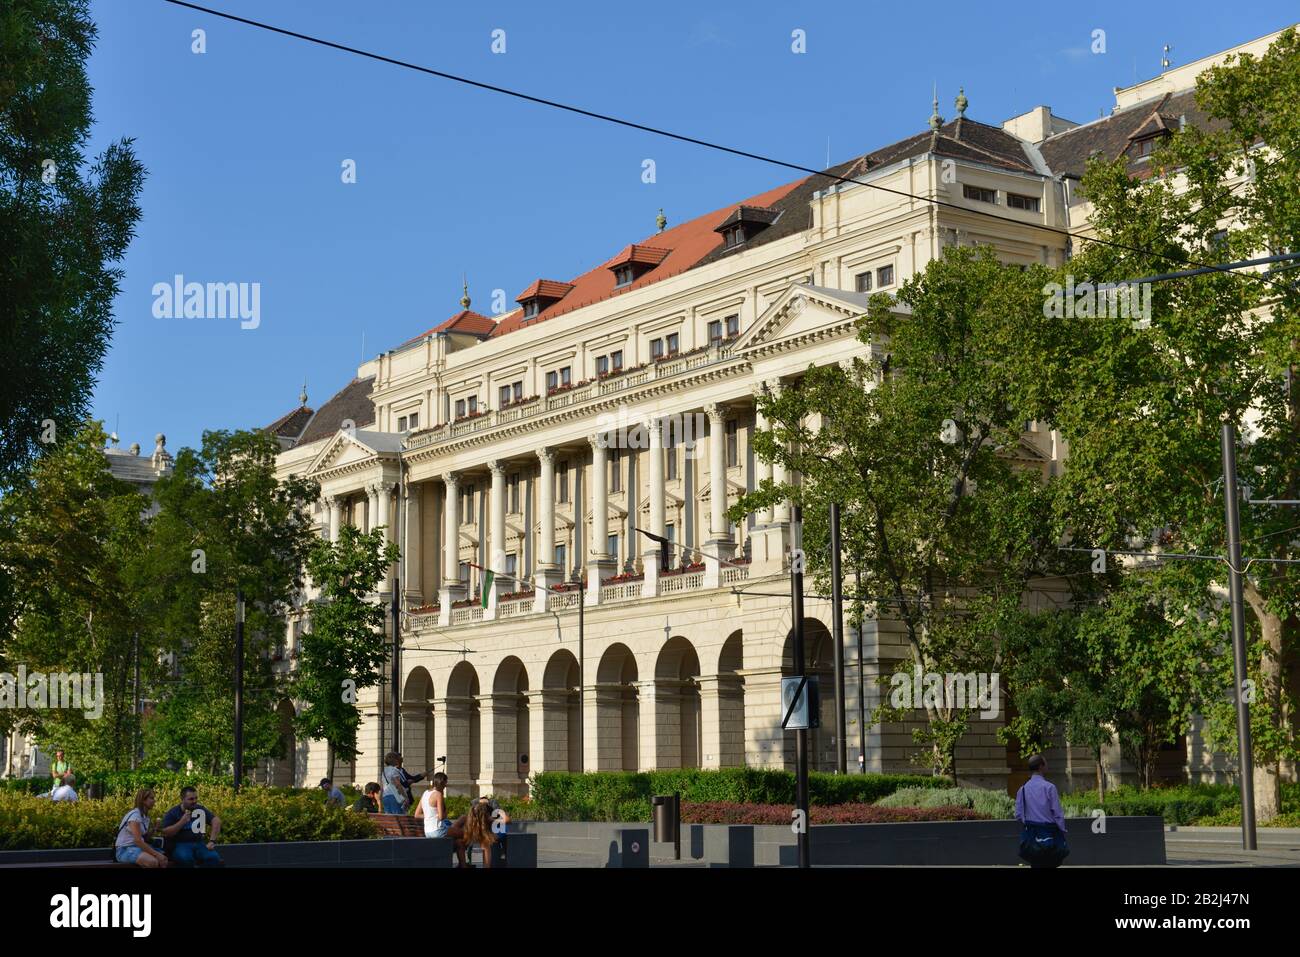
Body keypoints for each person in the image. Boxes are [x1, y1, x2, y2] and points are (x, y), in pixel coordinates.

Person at [1015, 754, 1070, 868]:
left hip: (1031, 835)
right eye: (1046, 763)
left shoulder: (1023, 789)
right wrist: (1062, 830)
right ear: (1041, 766)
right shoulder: (1049, 787)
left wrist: (1030, 823)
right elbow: (1057, 813)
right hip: (1050, 834)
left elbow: (1019, 814)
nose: (1047, 765)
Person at [161, 785, 224, 867]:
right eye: (191, 799)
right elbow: (166, 832)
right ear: (182, 799)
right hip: (180, 844)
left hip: (199, 843)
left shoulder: (199, 810)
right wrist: (181, 822)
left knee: (213, 858)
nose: (194, 801)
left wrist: (212, 841)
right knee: (186, 858)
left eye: (196, 798)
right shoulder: (173, 812)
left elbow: (216, 821)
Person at [115, 788, 169, 868]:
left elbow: (145, 838)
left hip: (137, 848)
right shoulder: (135, 816)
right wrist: (157, 854)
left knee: (164, 859)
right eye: (151, 798)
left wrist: (155, 828)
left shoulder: (144, 816)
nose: (154, 801)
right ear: (143, 800)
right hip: (125, 850)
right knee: (152, 862)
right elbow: (138, 841)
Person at [414, 772, 452, 839]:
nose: (446, 786)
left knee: (459, 843)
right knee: (462, 833)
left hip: (427, 832)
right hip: (438, 830)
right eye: (445, 783)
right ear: (442, 783)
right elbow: (441, 817)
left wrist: (430, 814)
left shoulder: (425, 793)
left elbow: (417, 814)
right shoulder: (438, 794)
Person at [461, 799, 498, 868]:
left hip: (479, 832)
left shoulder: (487, 818)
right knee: (461, 842)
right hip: (471, 832)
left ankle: (486, 866)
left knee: (485, 843)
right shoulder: (466, 818)